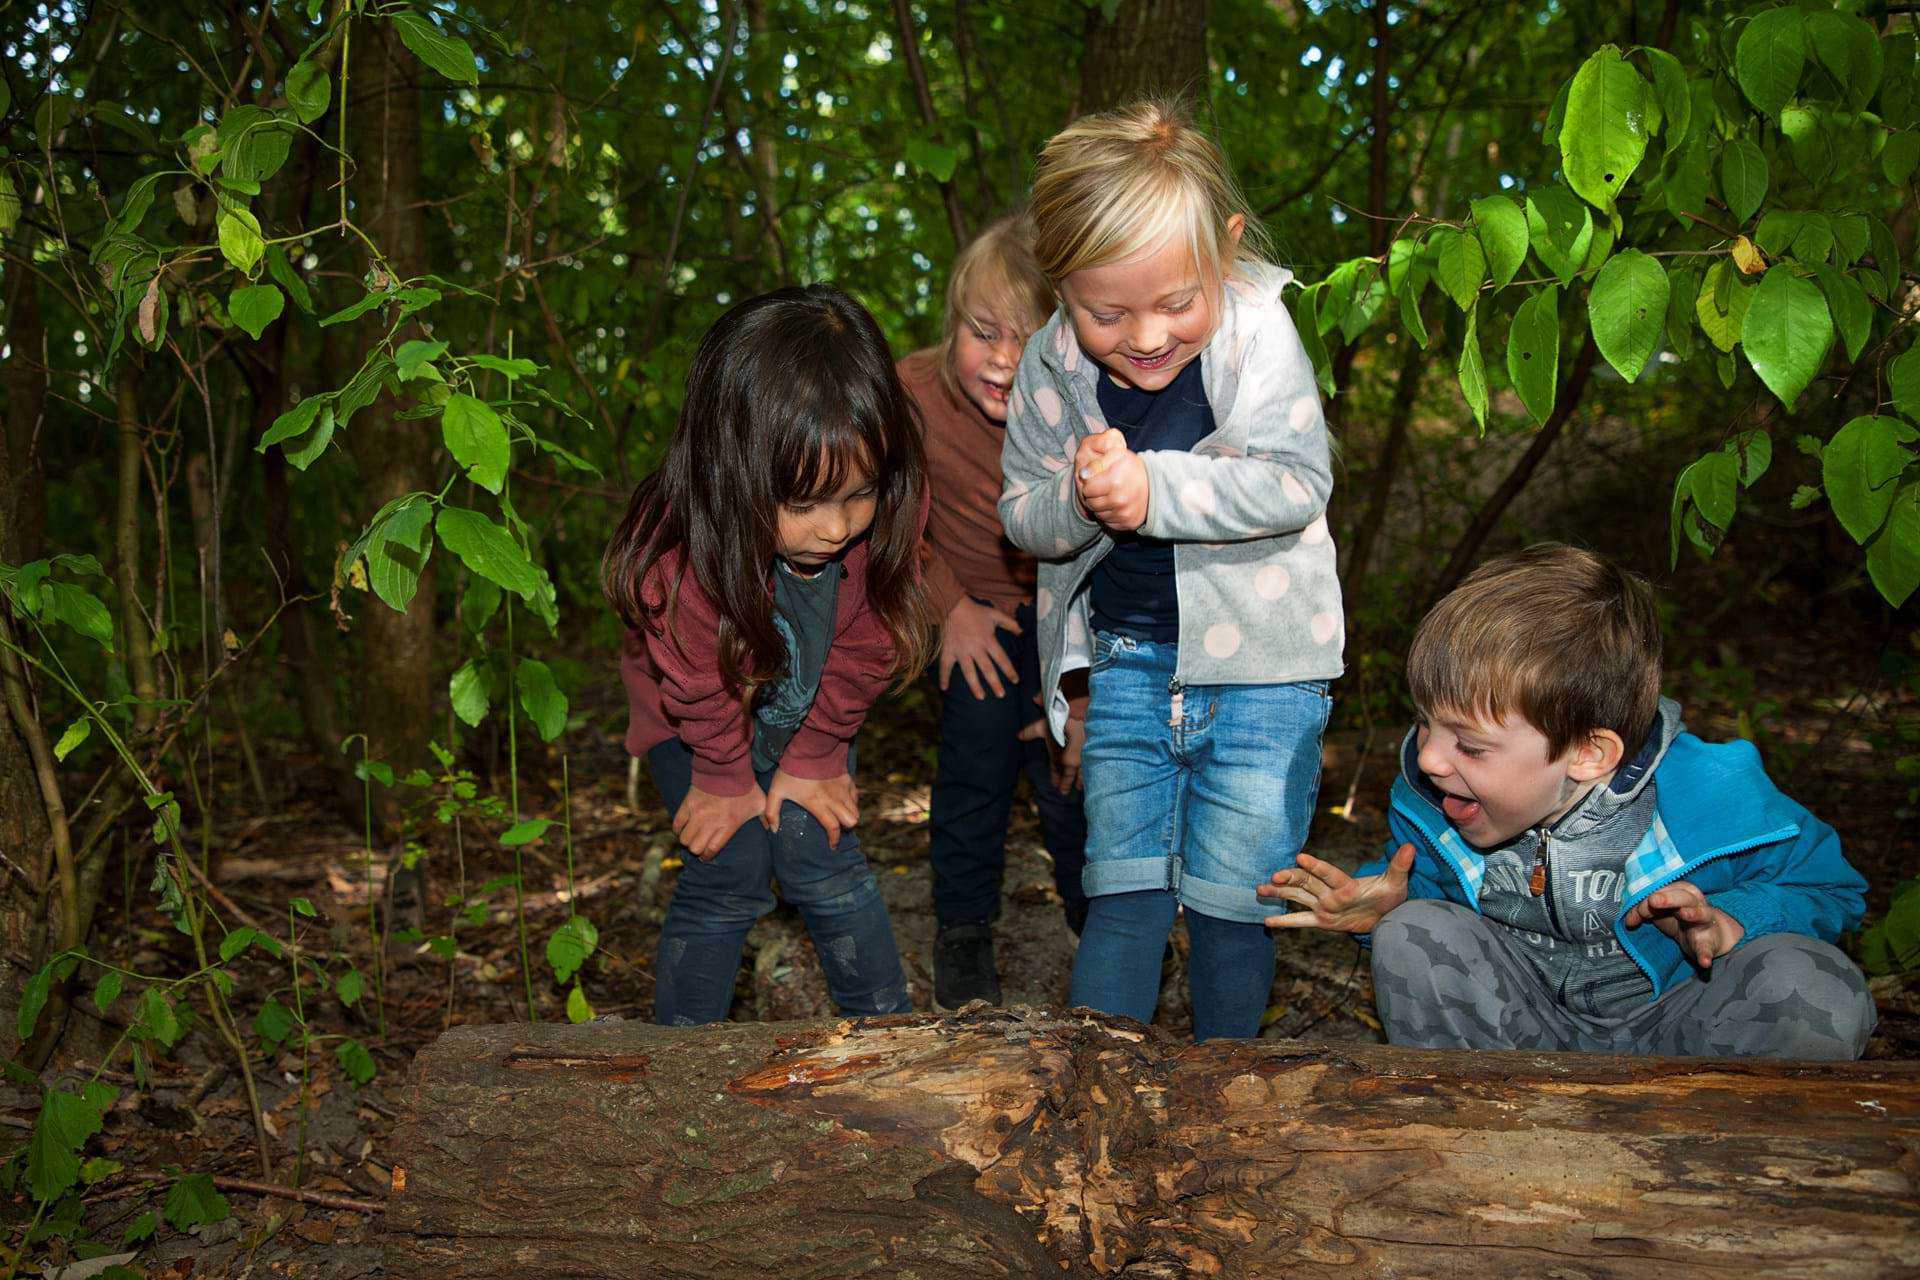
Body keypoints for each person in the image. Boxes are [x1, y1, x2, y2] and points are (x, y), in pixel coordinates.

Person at [1000, 100, 1344, 1041]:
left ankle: (1229, 1091)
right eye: (1107, 311)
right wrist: (1078, 495)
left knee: (1236, 904)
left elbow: (1295, 480)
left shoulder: (1256, 332)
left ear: (1225, 249)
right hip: (1127, 664)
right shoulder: (1049, 363)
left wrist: (1154, 492)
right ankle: (1097, 1090)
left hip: (1267, 672)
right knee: (1124, 892)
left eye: (1174, 302)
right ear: (1060, 285)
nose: (1146, 336)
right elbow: (1020, 516)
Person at [1259, 544, 1876, 1059]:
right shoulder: (1437, 798)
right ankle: (1478, 1146)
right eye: (1426, 724)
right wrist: (1384, 905)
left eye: (1470, 746)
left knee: (1815, 986)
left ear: (1588, 754)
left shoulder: (1713, 795)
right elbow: (1440, 905)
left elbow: (1833, 892)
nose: (1429, 759)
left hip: (1682, 1031)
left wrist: (1735, 919)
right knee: (1413, 933)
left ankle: (1741, 1170)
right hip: (1525, 1038)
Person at [605, 285, 933, 1026]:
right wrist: (723, 777)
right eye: (803, 504)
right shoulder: (682, 552)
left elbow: (864, 651)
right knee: (730, 867)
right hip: (694, 718)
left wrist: (816, 755)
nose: (835, 527)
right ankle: (681, 1065)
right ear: (732, 475)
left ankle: (894, 1041)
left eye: (859, 493)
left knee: (818, 853)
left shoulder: (881, 531)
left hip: (811, 708)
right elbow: (691, 681)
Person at [900, 211, 1091, 1009]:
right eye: (986, 333)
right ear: (953, 323)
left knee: (1070, 776)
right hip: (972, 611)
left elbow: (1107, 550)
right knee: (975, 760)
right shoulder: (909, 396)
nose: (1005, 362)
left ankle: (1104, 921)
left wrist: (1081, 685)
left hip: (1067, 618)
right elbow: (884, 526)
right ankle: (965, 929)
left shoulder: (1083, 408)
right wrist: (949, 608)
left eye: (1030, 341)